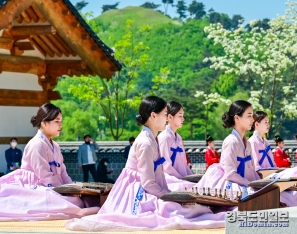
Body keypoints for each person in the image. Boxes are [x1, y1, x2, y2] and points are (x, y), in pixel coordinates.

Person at [65, 96, 225, 231]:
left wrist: (169, 192)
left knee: (189, 209)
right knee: (173, 211)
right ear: (153, 116)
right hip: (137, 188)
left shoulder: (152, 138)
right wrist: (167, 195)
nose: (166, 118)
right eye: (164, 114)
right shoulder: (146, 142)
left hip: (149, 185)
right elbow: (148, 182)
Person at [0, 103, 99, 220]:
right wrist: (64, 191)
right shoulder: (36, 144)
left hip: (53, 185)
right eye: (57, 121)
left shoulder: (55, 146)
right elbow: (45, 176)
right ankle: (79, 210)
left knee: (79, 196)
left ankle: (80, 207)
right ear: (44, 122)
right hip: (36, 185)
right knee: (61, 201)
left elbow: (63, 173)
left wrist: (71, 189)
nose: (60, 125)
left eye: (61, 121)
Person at [195, 100, 260, 197]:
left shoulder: (248, 144)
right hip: (233, 184)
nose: (252, 120)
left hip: (246, 183)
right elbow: (230, 174)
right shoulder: (231, 141)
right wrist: (249, 184)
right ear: (237, 118)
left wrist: (258, 183)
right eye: (249, 116)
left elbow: (251, 171)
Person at [157, 101, 194, 190]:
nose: (183, 119)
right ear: (170, 117)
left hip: (182, 180)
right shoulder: (164, 137)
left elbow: (185, 165)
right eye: (180, 116)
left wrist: (192, 177)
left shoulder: (179, 138)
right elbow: (166, 167)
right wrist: (182, 179)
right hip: (171, 181)